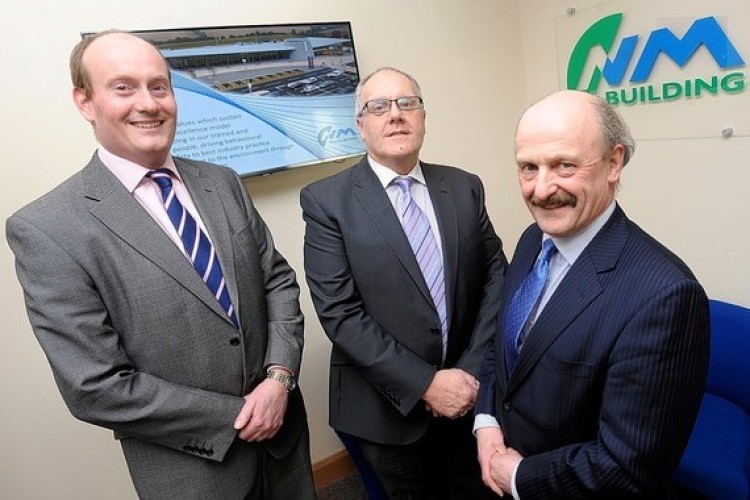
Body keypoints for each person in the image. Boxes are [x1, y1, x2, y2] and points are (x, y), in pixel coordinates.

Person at [6, 30, 315, 500]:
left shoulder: (222, 181)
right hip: (195, 470)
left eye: (159, 86)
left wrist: (278, 380)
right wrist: (239, 416)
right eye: (123, 87)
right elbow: (94, 385)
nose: (148, 104)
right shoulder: (47, 228)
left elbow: (277, 282)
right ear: (85, 102)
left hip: (285, 440)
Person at [474, 89, 710, 498]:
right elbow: (504, 347)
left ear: (614, 162)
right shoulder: (534, 239)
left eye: (564, 165)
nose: (541, 190)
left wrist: (518, 477)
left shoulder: (666, 295)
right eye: (528, 168)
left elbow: (626, 468)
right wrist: (487, 424)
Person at [300, 66, 508, 499]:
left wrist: (468, 373)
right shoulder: (326, 201)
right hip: (388, 409)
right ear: (361, 126)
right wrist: (427, 384)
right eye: (378, 107)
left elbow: (495, 277)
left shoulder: (465, 187)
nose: (395, 115)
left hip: (470, 394)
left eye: (406, 103)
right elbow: (340, 313)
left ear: (423, 116)